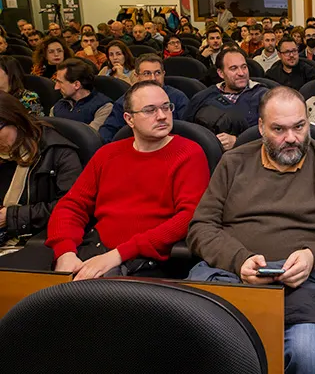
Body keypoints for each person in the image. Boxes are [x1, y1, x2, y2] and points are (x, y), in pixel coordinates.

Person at [186, 86, 315, 372]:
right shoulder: (234, 163)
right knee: (199, 346)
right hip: (235, 278)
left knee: (310, 354)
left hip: (305, 285)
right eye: (279, 129)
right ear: (261, 127)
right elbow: (201, 227)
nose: (291, 138)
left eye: (299, 127)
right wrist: (238, 261)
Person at [46, 81, 209, 279]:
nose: (162, 115)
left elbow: (188, 217)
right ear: (129, 119)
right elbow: (71, 206)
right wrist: (65, 252)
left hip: (146, 259)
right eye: (150, 110)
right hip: (97, 247)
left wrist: (118, 255)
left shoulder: (188, 153)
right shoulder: (107, 154)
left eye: (166, 107)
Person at [0, 92, 81, 248]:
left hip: (35, 239)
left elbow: (70, 207)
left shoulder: (59, 152)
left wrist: (11, 216)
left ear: (15, 121)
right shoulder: (4, 153)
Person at [186, 46, 269, 151]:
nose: (241, 73)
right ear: (221, 73)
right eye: (233, 68)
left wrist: (238, 141)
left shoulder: (263, 96)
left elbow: (274, 134)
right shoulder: (204, 96)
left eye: (244, 67)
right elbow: (188, 131)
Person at [99, 54, 189, 143]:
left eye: (157, 73)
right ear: (137, 76)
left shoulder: (178, 98)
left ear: (163, 74)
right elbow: (108, 130)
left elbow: (188, 131)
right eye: (147, 73)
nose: (153, 78)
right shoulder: (125, 100)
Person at [51, 59, 113, 131]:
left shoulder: (104, 107)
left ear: (76, 85)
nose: (56, 87)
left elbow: (89, 137)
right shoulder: (58, 106)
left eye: (60, 82)